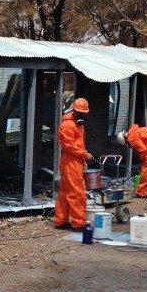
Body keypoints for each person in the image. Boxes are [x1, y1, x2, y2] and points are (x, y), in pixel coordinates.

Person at [54, 97, 94, 230]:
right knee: (77, 193)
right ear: (74, 111)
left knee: (65, 193)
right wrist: (83, 154)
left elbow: (76, 144)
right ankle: (78, 222)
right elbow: (68, 146)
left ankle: (61, 220)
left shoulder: (78, 124)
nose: (82, 115)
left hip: (74, 161)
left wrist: (82, 160)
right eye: (79, 112)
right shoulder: (68, 125)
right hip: (70, 162)